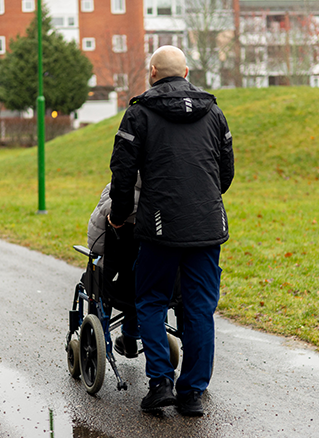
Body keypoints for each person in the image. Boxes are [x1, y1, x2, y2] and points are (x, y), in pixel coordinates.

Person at [107, 45, 235, 416]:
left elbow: (122, 173)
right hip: (208, 225)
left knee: (150, 300)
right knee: (198, 309)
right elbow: (225, 173)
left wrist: (118, 216)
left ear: (152, 72)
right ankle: (192, 392)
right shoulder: (215, 114)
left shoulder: (139, 113)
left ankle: (160, 382)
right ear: (187, 71)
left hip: (159, 227)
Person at [87, 177, 141, 357]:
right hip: (152, 281)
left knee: (95, 277)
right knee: (139, 284)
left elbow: (96, 245)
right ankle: (131, 335)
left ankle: (99, 335)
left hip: (115, 283)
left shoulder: (114, 195)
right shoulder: (164, 194)